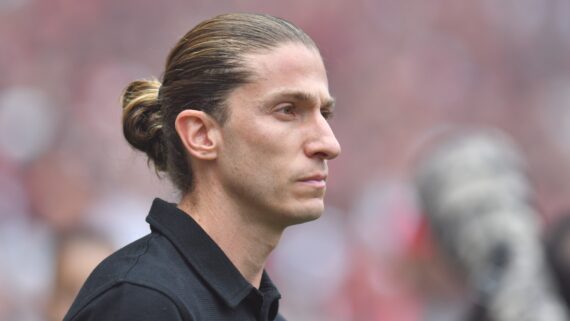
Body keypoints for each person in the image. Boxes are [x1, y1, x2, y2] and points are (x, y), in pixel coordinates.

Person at [62, 12, 341, 321]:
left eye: (324, 113)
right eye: (287, 110)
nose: (329, 144)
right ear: (201, 135)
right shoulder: (141, 301)